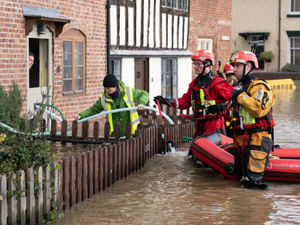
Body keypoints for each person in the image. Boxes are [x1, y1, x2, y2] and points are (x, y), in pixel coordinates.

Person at [154, 49, 233, 137]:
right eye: (194, 64)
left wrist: (221, 106)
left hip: (215, 126)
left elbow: (233, 99)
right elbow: (185, 102)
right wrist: (166, 101)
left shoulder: (218, 82)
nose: (195, 67)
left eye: (198, 64)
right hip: (200, 126)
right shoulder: (194, 83)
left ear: (208, 64)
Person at [230, 51, 275, 189]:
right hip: (241, 139)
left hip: (257, 138)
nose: (234, 69)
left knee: (253, 183)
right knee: (241, 179)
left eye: (238, 65)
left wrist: (241, 97)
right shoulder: (239, 88)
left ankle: (257, 208)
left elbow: (258, 108)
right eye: (234, 65)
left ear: (248, 67)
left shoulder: (260, 86)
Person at [75, 74, 149, 136]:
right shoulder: (104, 98)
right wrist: (81, 115)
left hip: (131, 131)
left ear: (115, 86)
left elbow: (144, 94)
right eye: (105, 88)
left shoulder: (128, 92)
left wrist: (141, 103)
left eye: (108, 88)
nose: (107, 91)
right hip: (114, 133)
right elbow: (93, 110)